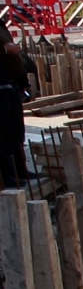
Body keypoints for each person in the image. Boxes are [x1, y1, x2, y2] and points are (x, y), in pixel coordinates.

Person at [0, 20, 30, 189]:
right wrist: (5, 50)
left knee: (16, 131)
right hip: (2, 86)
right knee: (3, 135)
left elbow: (14, 56)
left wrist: (22, 78)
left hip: (11, 85)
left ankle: (20, 169)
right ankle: (7, 175)